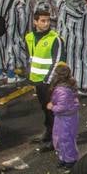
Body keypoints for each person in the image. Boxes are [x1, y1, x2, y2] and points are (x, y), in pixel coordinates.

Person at [24, 8, 63, 146]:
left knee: (52, 111)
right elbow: (30, 57)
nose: (46, 24)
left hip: (49, 83)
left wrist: (47, 80)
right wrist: (29, 74)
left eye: (48, 21)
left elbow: (57, 61)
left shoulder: (55, 39)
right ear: (35, 22)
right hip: (37, 80)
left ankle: (55, 139)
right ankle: (49, 133)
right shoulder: (29, 37)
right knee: (45, 109)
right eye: (43, 21)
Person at [57, 0, 87, 96]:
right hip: (82, 42)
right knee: (82, 64)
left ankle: (66, 85)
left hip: (66, 40)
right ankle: (80, 86)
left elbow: (60, 22)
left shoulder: (63, 6)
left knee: (67, 63)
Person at [47, 63, 81, 168]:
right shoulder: (66, 87)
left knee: (66, 139)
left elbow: (62, 107)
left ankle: (70, 159)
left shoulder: (62, 90)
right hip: (65, 117)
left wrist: (52, 107)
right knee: (60, 138)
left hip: (66, 118)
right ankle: (64, 157)